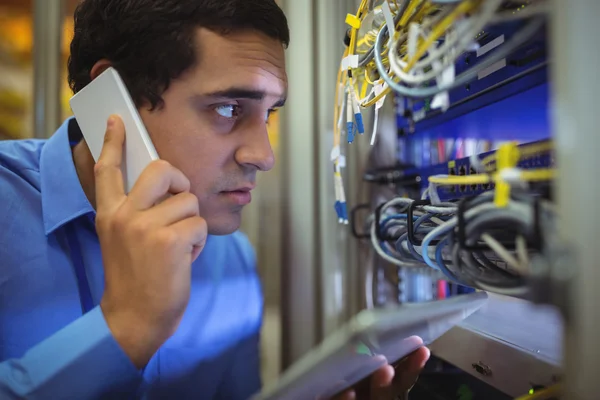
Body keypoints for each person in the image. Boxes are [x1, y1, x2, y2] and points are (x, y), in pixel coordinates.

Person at [0, 0, 429, 398]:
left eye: (270, 113)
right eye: (229, 108)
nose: (264, 156)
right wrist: (126, 325)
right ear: (116, 101)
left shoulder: (232, 258)